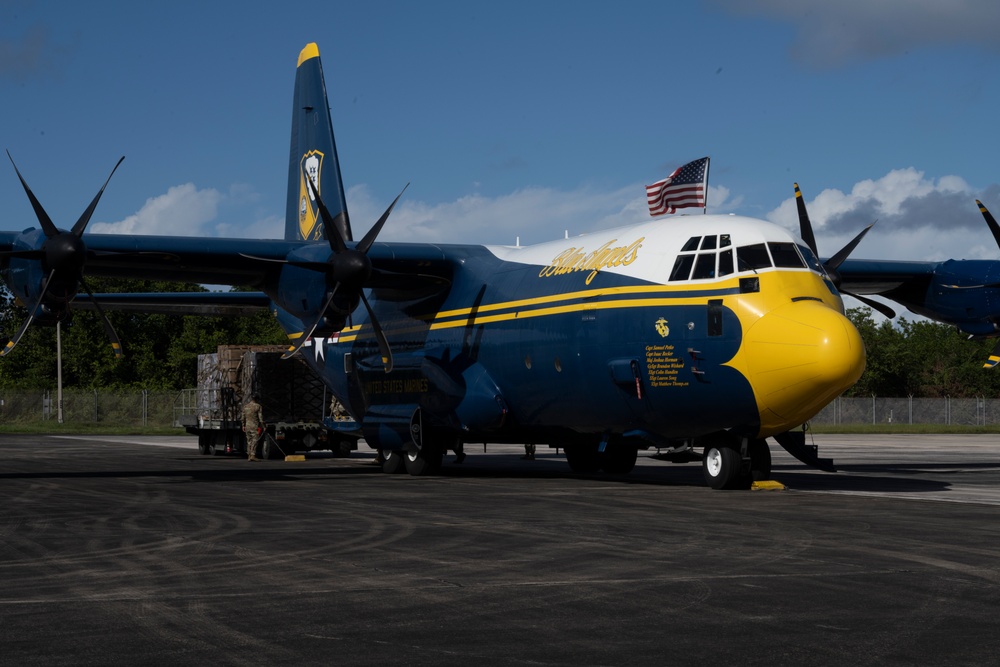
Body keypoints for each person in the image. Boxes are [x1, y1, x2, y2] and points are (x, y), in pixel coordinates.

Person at [242, 394, 265, 461]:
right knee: (255, 440)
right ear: (257, 399)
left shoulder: (245, 406)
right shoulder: (258, 406)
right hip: (254, 426)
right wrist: (264, 426)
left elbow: (243, 417)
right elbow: (260, 418)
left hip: (247, 426)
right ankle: (253, 455)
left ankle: (249, 455)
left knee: (249, 441)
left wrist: (243, 425)